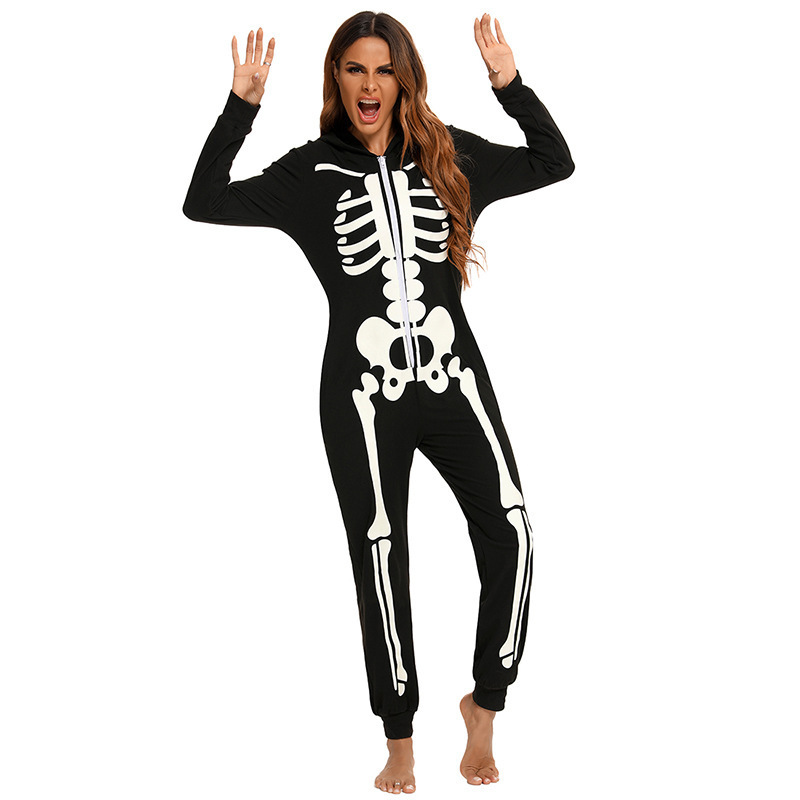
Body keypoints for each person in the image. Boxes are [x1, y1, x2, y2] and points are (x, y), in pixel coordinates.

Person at [183, 11, 574, 793]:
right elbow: (204, 200)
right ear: (337, 78)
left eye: (384, 70)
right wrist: (240, 108)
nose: (369, 85)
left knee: (513, 533)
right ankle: (399, 735)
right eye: (355, 69)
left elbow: (553, 161)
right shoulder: (309, 173)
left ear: (404, 80)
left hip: (454, 378)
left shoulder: (448, 154)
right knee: (380, 553)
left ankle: (485, 703)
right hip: (361, 392)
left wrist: (509, 84)